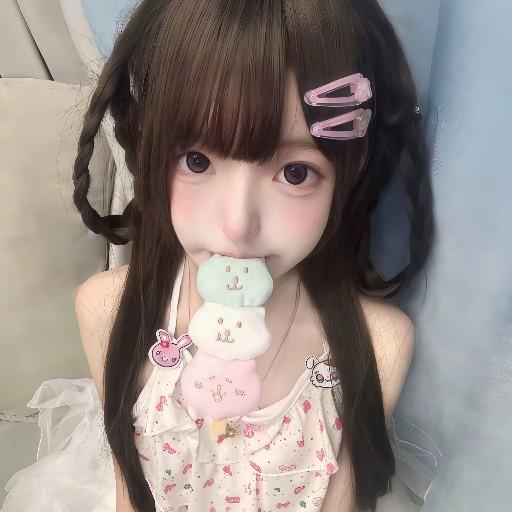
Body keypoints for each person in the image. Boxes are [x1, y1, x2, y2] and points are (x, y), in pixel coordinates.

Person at [2, 1, 433, 511]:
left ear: (351, 169)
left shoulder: (379, 345)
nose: (238, 225)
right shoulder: (106, 309)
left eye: (295, 172)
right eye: (197, 160)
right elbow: (129, 490)